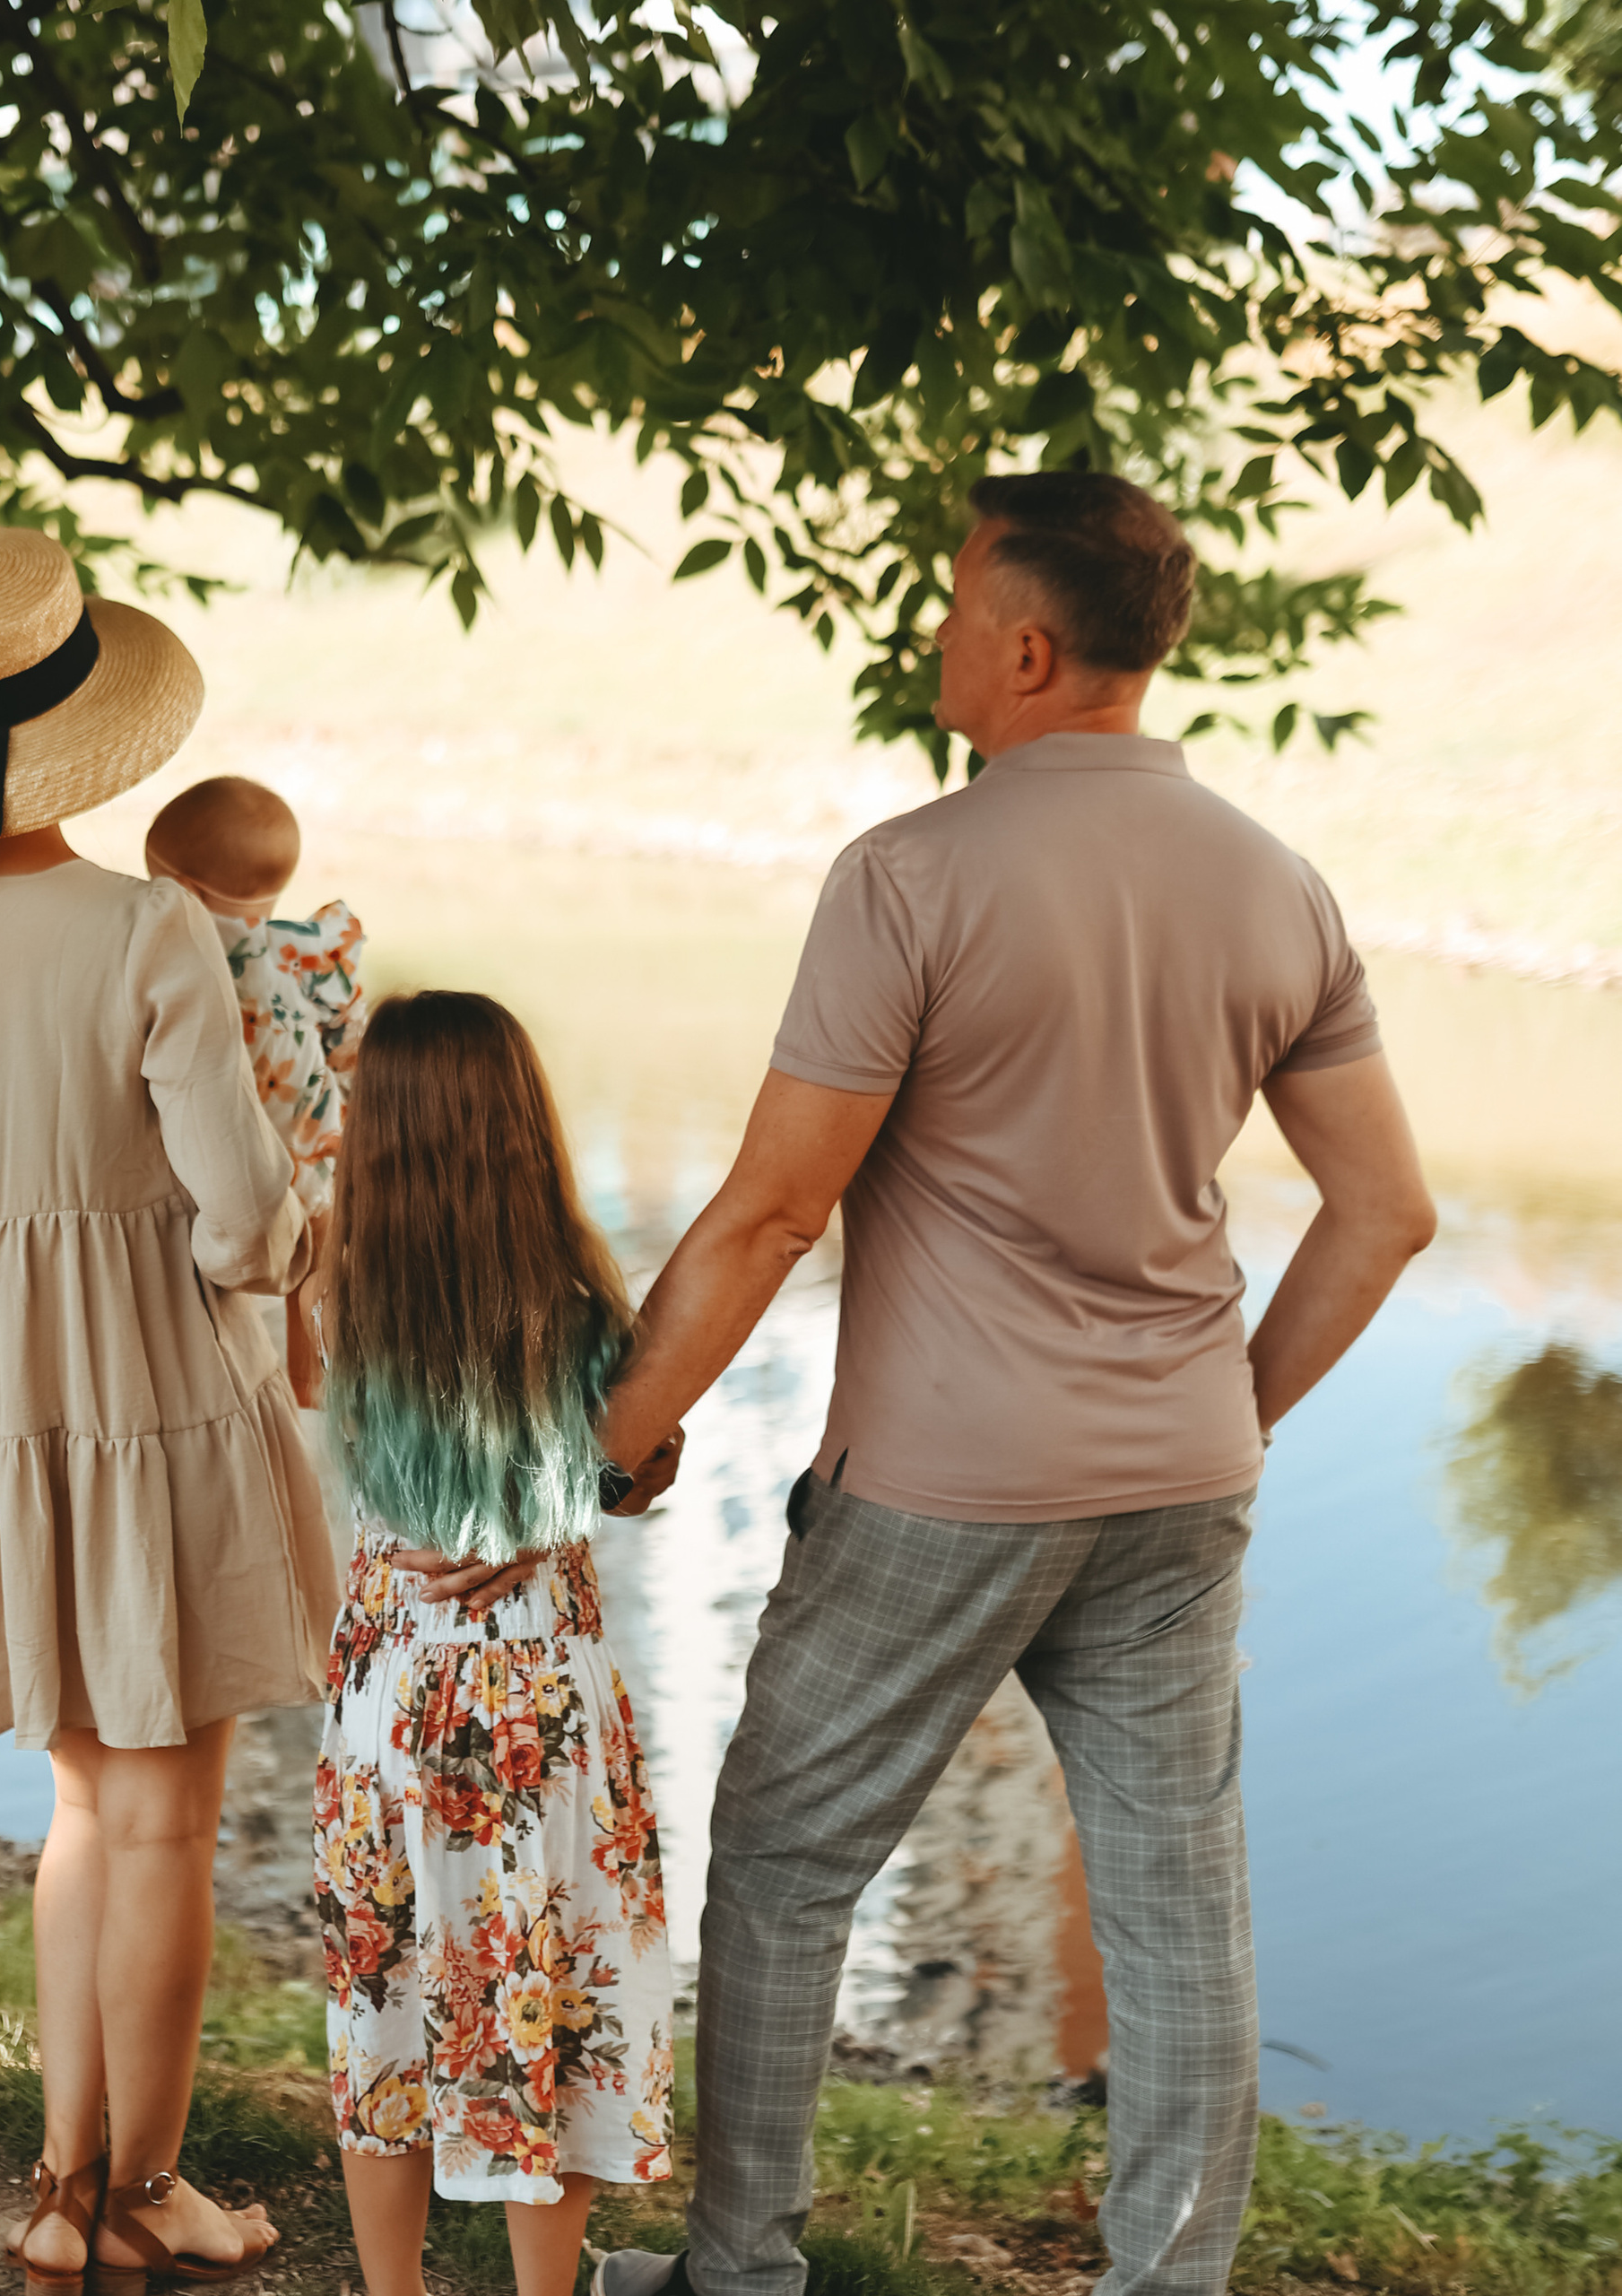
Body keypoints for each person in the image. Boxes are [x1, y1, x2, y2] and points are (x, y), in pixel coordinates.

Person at [590, 472, 1439, 2296]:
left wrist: (620, 1426)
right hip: (1177, 1482)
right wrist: (1230, 1408)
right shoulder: (1276, 885)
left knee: (785, 1857)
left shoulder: (906, 875)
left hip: (939, 1486)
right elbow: (1383, 1214)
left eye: (954, 609)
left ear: (1027, 647)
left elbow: (766, 1209)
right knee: (1173, 1906)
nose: (933, 639)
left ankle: (736, 2271)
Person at [0, 526, 339, 2292]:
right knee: (169, 1817)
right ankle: (147, 2188)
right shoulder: (147, 926)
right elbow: (244, 1216)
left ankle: (60, 2184)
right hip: (142, 1396)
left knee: (79, 1808)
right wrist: (309, 1204)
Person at [307, 991, 681, 2296]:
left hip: (387, 1700)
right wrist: (572, 1494)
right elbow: (647, 1473)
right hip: (536, 1698)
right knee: (548, 1995)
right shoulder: (578, 1307)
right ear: (523, 1124)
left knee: (387, 2004)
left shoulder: (337, 1288)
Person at [144, 775, 367, 1405]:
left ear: (183, 891)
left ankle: (303, 1385)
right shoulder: (281, 945)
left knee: (293, 1250)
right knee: (316, 1259)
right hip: (312, 1118)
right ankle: (313, 1385)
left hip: (265, 1127)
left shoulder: (196, 951)